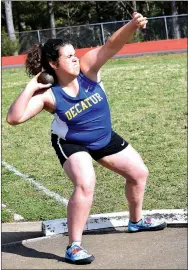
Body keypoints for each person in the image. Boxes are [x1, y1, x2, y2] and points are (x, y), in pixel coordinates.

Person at [6, 12, 166, 265]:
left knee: (139, 173)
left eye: (75, 54)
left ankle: (136, 221)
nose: (75, 59)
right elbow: (14, 118)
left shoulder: (89, 68)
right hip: (72, 142)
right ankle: (74, 246)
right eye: (68, 57)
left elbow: (113, 43)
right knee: (85, 183)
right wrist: (30, 87)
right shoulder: (49, 94)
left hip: (102, 136)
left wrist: (133, 25)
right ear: (53, 64)